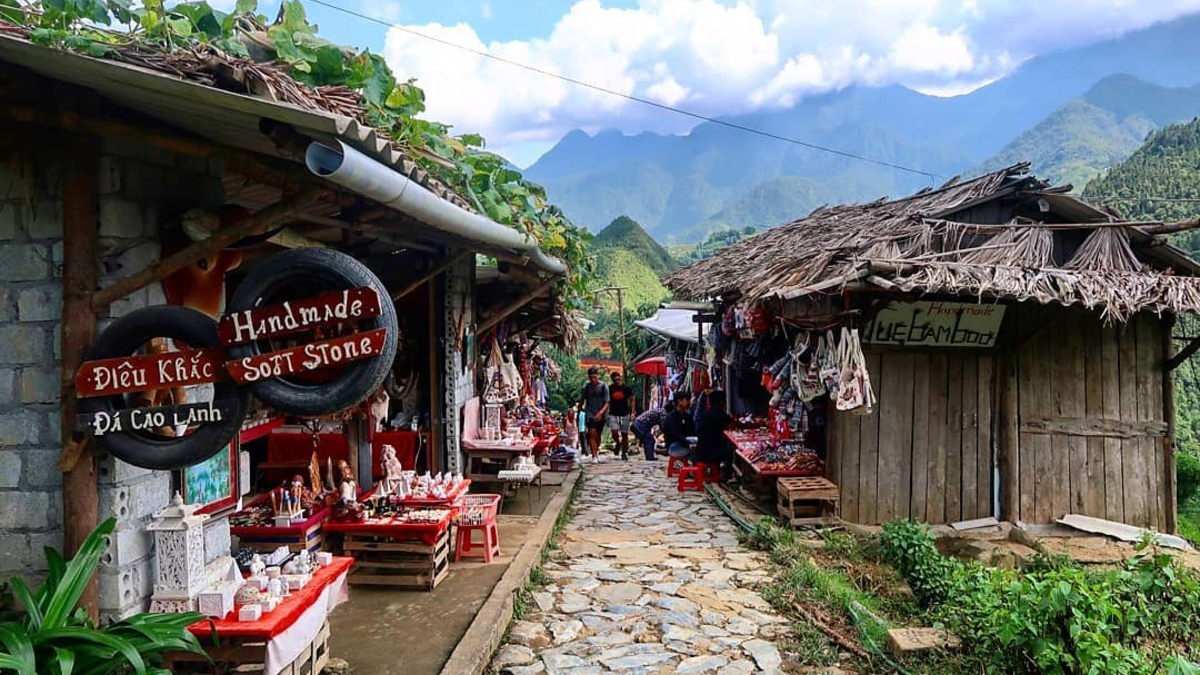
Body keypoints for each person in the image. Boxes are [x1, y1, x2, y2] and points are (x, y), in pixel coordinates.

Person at [695, 390, 734, 477]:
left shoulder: (705, 414)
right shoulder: (720, 414)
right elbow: (732, 423)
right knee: (732, 451)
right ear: (721, 402)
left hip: (701, 451)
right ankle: (728, 475)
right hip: (710, 454)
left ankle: (719, 470)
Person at [577, 367, 609, 462]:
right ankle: (594, 455)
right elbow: (582, 400)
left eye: (594, 377)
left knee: (598, 435)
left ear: (598, 376)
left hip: (601, 413)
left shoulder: (603, 387)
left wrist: (600, 413)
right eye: (591, 378)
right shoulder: (586, 387)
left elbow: (607, 402)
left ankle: (596, 449)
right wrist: (579, 411)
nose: (593, 380)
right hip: (590, 413)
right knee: (591, 433)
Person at [606, 371, 636, 460]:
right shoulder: (610, 389)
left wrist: (633, 411)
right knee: (614, 432)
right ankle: (618, 444)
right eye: (615, 380)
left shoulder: (626, 388)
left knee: (624, 434)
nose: (617, 381)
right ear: (612, 380)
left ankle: (624, 452)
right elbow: (607, 401)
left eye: (618, 379)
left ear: (620, 378)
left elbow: (632, 399)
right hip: (613, 413)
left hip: (625, 413)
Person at [661, 392, 695, 461]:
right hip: (674, 446)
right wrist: (688, 444)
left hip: (686, 442)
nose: (689, 402)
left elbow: (692, 431)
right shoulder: (671, 417)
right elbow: (676, 435)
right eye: (687, 400)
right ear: (679, 401)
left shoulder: (687, 417)